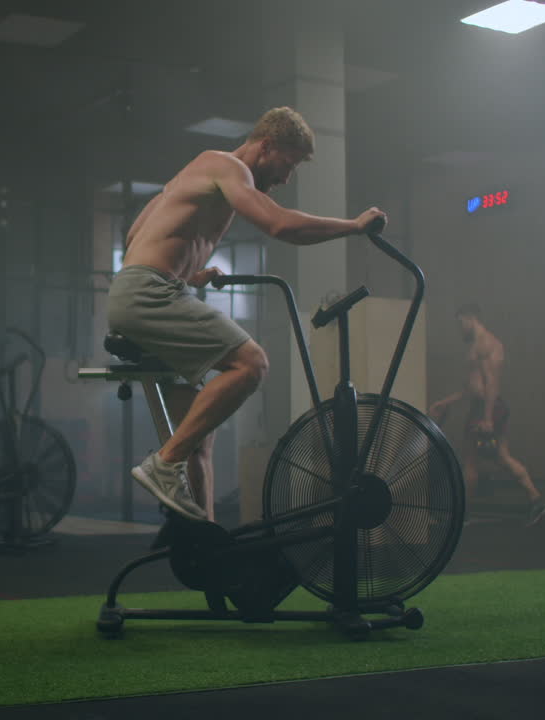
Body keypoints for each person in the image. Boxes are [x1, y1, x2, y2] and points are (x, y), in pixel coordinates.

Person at [107, 106, 386, 521]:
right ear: (267, 145)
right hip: (151, 295)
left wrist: (188, 272)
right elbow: (280, 226)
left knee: (198, 438)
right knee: (251, 364)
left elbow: (134, 234)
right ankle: (163, 465)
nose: (286, 178)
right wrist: (354, 226)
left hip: (141, 291)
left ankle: (203, 543)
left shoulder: (192, 175)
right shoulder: (226, 167)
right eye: (287, 164)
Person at [428, 303, 545, 526]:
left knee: (470, 461)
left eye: (460, 324)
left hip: (486, 409)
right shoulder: (477, 345)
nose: (460, 330)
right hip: (486, 407)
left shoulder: (485, 344)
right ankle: (537, 500)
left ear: (469, 318)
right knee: (501, 457)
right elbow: (471, 387)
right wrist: (444, 402)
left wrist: (486, 417)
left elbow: (491, 383)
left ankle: (462, 514)